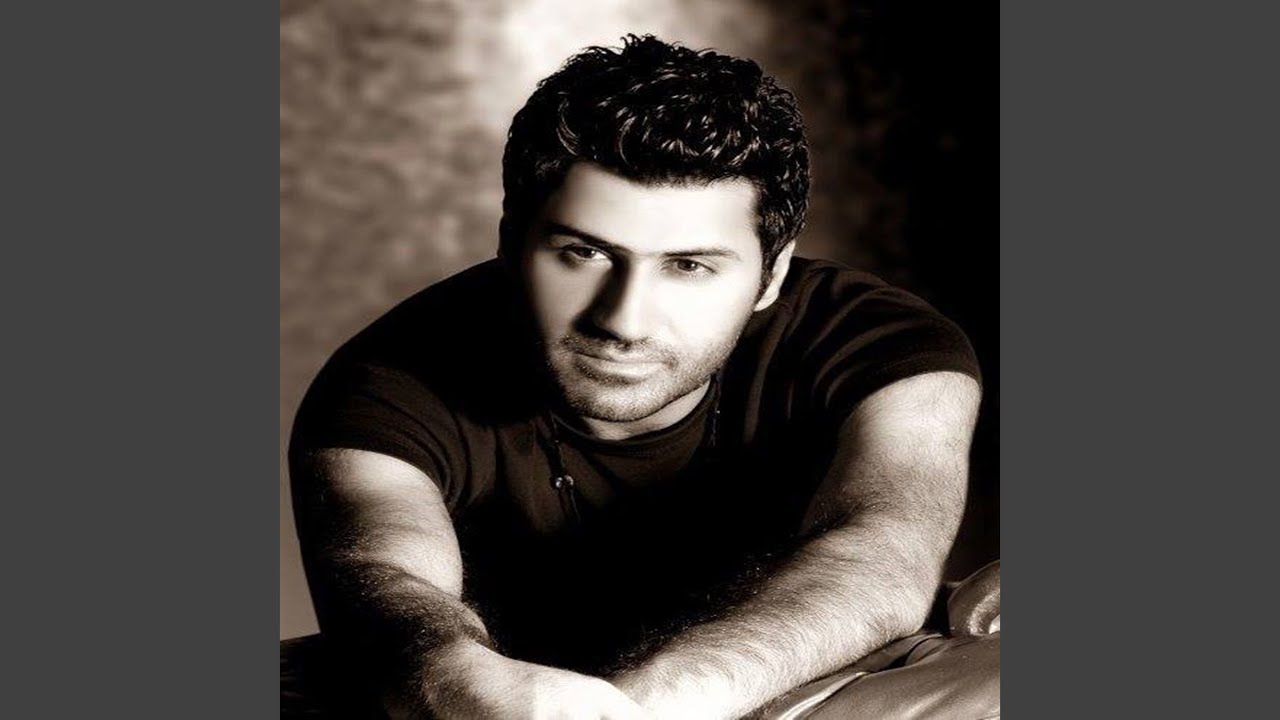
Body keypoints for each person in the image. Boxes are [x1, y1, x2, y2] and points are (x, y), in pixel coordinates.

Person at [287, 34, 992, 719]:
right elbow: (389, 589)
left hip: (796, 680)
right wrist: (461, 682)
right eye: (584, 253)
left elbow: (880, 555)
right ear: (511, 241)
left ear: (773, 273)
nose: (623, 320)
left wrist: (652, 708)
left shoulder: (885, 346)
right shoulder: (386, 384)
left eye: (688, 266)